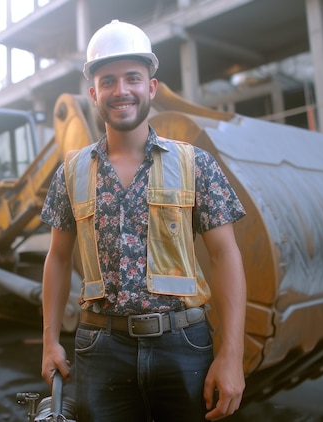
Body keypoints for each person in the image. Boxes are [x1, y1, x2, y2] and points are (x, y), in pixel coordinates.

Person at [40, 20, 247, 422]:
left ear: (150, 87)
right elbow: (58, 259)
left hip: (184, 344)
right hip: (100, 348)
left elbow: (226, 256)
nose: (121, 91)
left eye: (132, 78)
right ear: (93, 93)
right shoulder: (71, 172)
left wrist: (232, 354)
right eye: (108, 80)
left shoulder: (194, 163)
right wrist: (50, 341)